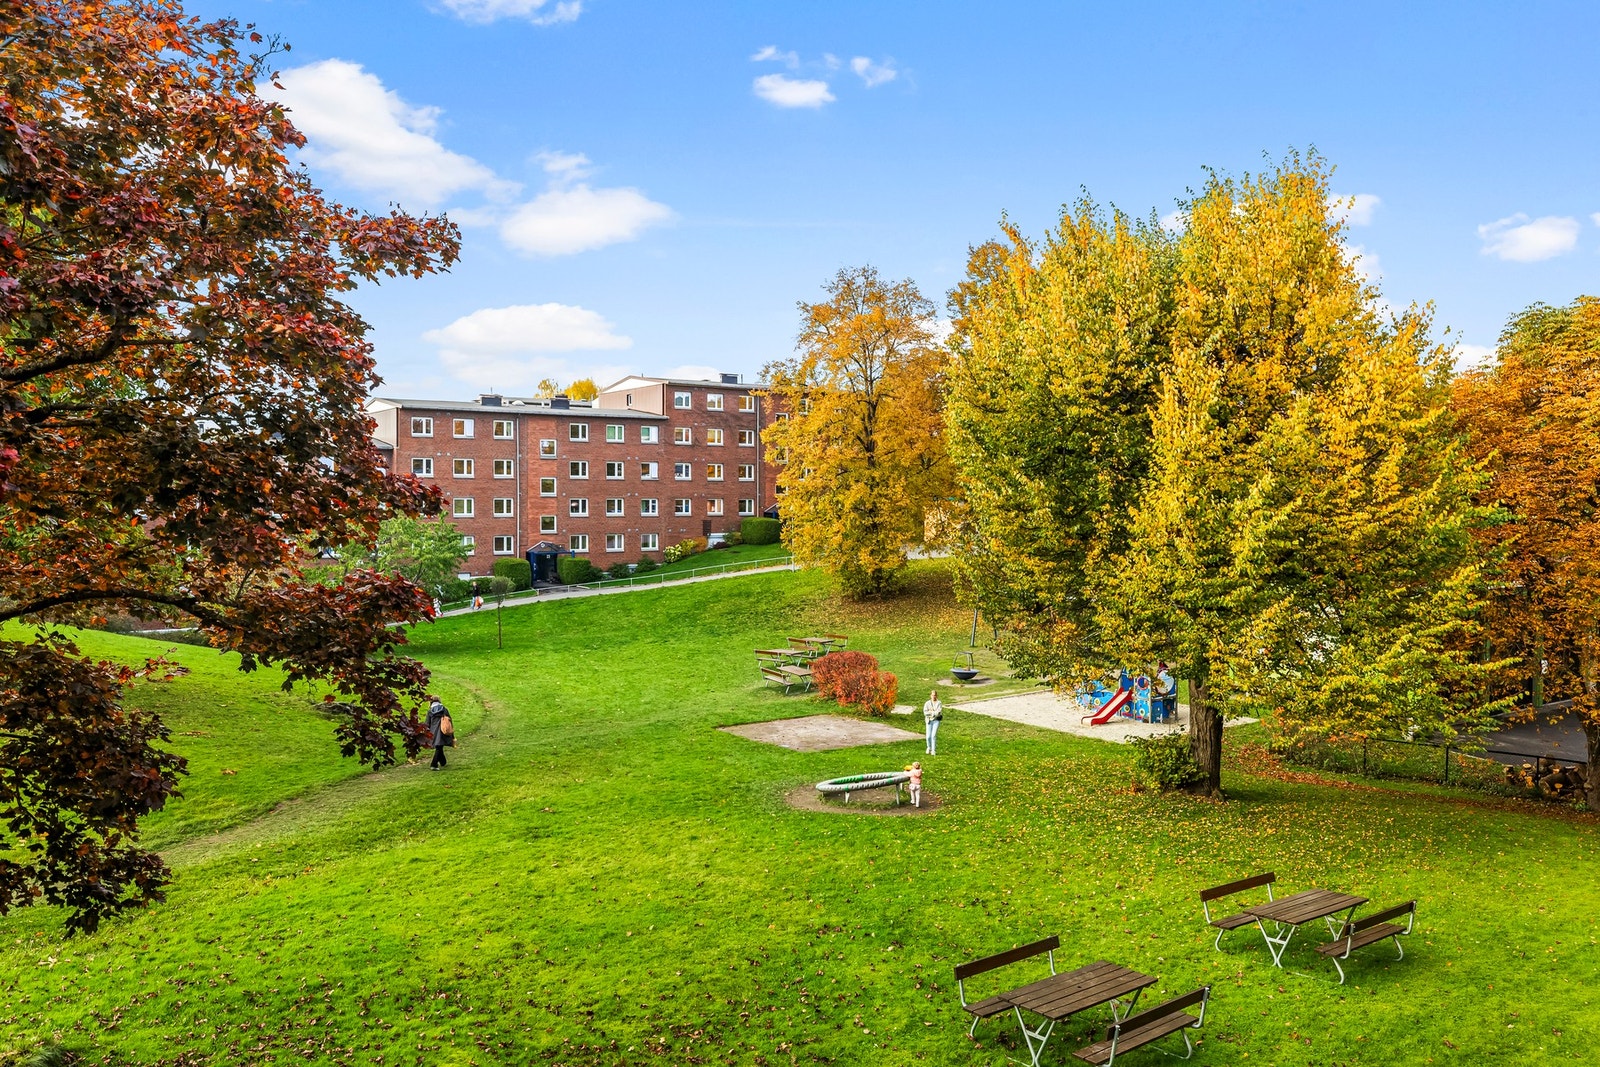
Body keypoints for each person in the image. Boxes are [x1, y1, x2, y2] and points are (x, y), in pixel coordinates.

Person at [426, 694, 454, 770]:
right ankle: (434, 764)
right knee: (439, 746)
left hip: (433, 731)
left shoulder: (430, 711)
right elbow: (449, 721)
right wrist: (452, 734)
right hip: (442, 730)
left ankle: (443, 761)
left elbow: (427, 724)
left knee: (439, 746)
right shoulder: (444, 709)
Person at [923, 689, 943, 755]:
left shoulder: (939, 703)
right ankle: (929, 747)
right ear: (930, 696)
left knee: (933, 735)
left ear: (936, 696)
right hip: (929, 721)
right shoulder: (927, 703)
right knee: (928, 736)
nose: (934, 696)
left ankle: (933, 750)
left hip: (936, 720)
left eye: (935, 695)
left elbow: (938, 712)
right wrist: (933, 713)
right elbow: (925, 712)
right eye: (932, 695)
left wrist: (931, 712)